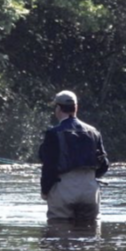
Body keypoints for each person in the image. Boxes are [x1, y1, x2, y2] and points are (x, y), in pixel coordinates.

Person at [38, 90, 109, 222]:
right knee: (89, 236)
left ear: (58, 108)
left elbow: (49, 167)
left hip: (63, 188)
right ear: (76, 107)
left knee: (58, 232)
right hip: (90, 190)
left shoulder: (53, 133)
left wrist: (45, 190)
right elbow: (104, 165)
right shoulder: (94, 132)